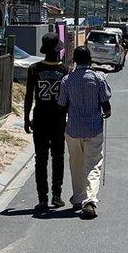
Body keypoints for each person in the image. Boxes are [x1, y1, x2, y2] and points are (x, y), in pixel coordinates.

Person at [58, 46, 112, 220]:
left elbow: (62, 105)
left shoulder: (67, 80)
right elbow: (105, 104)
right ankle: (89, 200)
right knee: (93, 164)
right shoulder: (98, 78)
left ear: (74, 60)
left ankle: (78, 197)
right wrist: (107, 113)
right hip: (93, 129)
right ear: (90, 60)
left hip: (73, 129)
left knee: (76, 163)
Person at [24, 34, 70, 212]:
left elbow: (29, 96)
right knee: (58, 157)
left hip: (40, 117)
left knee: (40, 159)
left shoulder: (34, 69)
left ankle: (42, 198)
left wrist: (26, 118)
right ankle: (56, 196)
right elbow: (68, 100)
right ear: (57, 51)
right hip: (58, 119)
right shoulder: (64, 71)